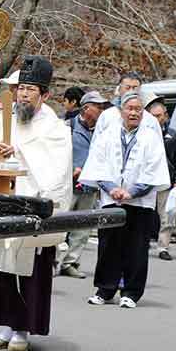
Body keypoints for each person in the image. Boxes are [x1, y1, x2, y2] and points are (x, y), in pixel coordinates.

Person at [0, 55, 73, 351]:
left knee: (28, 270)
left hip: (31, 205)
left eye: (31, 89)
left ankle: (23, 329)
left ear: (45, 95)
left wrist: (18, 151)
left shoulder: (55, 128)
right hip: (5, 200)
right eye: (21, 89)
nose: (24, 94)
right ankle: (5, 325)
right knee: (0, 268)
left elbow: (55, 168)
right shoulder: (7, 119)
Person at [80, 92, 171, 309]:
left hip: (139, 202)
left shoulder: (151, 136)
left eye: (138, 109)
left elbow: (154, 169)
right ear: (121, 111)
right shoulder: (108, 134)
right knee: (108, 244)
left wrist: (132, 192)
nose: (133, 113)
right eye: (129, 108)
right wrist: (112, 189)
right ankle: (105, 289)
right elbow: (97, 164)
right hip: (111, 199)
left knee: (137, 247)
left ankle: (131, 291)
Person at [56, 90, 111, 278]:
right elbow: (56, 153)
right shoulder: (67, 126)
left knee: (83, 227)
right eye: (99, 107)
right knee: (60, 224)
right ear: (86, 108)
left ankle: (71, 262)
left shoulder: (104, 130)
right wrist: (70, 169)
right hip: (68, 185)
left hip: (91, 186)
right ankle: (54, 262)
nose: (103, 110)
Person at [146, 98, 176, 261]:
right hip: (146, 181)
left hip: (166, 182)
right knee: (144, 214)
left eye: (159, 116)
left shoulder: (172, 135)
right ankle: (143, 241)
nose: (156, 119)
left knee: (167, 215)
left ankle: (163, 246)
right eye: (153, 116)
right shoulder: (144, 133)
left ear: (165, 116)